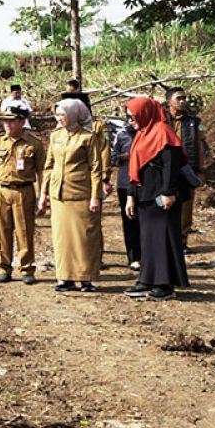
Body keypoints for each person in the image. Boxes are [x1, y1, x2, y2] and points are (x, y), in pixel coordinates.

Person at [123, 97, 190, 300]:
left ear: (144, 113)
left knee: (163, 238)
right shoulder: (142, 134)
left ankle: (164, 283)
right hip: (145, 196)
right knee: (148, 239)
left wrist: (168, 192)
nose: (130, 120)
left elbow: (171, 166)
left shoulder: (163, 133)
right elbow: (134, 169)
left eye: (132, 116)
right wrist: (130, 196)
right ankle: (147, 279)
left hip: (162, 196)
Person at [39, 99, 105, 292]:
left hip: (81, 194)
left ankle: (86, 278)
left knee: (84, 238)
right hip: (59, 195)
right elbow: (49, 165)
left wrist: (95, 196)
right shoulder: (56, 135)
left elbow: (95, 168)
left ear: (74, 115)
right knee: (62, 239)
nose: (60, 119)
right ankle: (64, 277)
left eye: (63, 115)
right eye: (58, 115)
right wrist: (43, 193)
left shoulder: (88, 137)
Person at [0, 107, 45, 284]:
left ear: (22, 121)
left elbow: (41, 171)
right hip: (1, 190)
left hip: (24, 190)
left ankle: (26, 269)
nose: (7, 124)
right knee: (2, 231)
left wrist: (42, 195)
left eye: (12, 121)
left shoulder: (33, 143)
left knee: (25, 231)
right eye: (4, 121)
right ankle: (4, 267)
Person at [164, 87, 208, 251]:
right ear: (169, 101)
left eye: (184, 98)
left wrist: (200, 170)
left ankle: (182, 240)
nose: (182, 101)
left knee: (186, 204)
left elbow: (200, 146)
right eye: (179, 98)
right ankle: (166, 238)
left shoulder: (194, 122)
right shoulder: (161, 119)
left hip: (187, 167)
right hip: (167, 167)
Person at [111, 116, 141, 271]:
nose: (132, 121)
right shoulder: (121, 134)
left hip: (144, 183)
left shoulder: (147, 134)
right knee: (129, 220)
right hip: (125, 182)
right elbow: (113, 158)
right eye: (129, 118)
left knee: (144, 220)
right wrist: (128, 156)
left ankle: (146, 255)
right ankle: (133, 256)